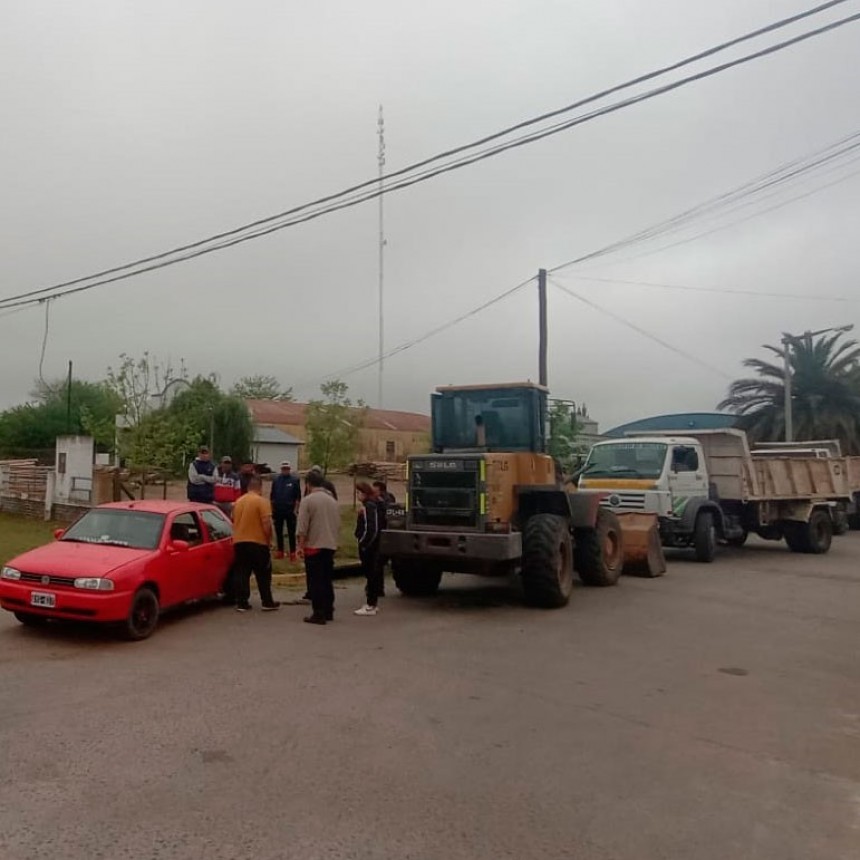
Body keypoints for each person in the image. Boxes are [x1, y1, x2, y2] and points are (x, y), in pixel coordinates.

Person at [296, 469, 341, 625]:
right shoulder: (332, 500)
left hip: (314, 545)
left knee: (315, 581)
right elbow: (338, 524)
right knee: (327, 579)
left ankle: (318, 613)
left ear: (308, 484)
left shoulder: (308, 500)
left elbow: (302, 526)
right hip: (330, 544)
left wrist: (300, 546)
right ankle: (329, 610)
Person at [231, 475, 280, 612]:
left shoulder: (238, 502)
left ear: (247, 488)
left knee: (242, 572)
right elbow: (266, 523)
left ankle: (242, 602)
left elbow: (233, 520)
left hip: (239, 541)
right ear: (260, 487)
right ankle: (267, 601)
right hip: (257, 542)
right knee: (263, 573)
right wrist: (269, 540)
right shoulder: (262, 501)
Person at [353, 481, 383, 617]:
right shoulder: (369, 505)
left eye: (359, 493)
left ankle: (371, 604)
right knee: (371, 574)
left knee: (371, 574)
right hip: (371, 545)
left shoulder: (369, 507)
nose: (357, 495)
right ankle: (371, 603)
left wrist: (364, 543)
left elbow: (371, 528)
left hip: (369, 546)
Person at [270, 461, 302, 561]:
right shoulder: (276, 480)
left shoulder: (294, 480)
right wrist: (272, 509)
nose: (285, 470)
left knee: (291, 532)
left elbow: (298, 497)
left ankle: (292, 552)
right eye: (283, 469)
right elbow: (272, 497)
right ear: (281, 469)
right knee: (278, 531)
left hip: (290, 510)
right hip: (278, 510)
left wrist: (295, 510)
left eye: (287, 469)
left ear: (289, 469)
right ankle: (280, 551)